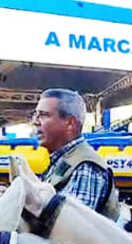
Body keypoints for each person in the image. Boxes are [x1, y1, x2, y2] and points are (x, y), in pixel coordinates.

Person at [32, 88, 119, 220]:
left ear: (70, 123)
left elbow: (70, 227)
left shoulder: (86, 167)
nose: (36, 121)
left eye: (44, 115)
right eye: (36, 115)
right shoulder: (63, 160)